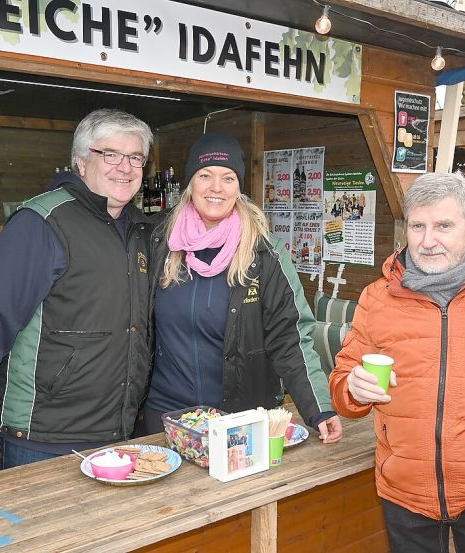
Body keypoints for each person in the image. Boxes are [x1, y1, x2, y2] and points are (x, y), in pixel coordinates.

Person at [0, 109, 154, 496]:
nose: (125, 167)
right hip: (43, 439)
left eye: (136, 158)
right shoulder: (42, 222)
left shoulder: (141, 229)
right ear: (81, 162)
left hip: (117, 434)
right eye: (110, 154)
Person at [329, 172, 465, 553]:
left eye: (443, 225)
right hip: (403, 488)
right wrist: (351, 387)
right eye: (418, 226)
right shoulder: (377, 297)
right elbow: (344, 382)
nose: (427, 241)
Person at [137, 132, 342, 444]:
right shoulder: (160, 243)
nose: (216, 187)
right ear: (191, 183)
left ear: (238, 187)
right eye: (205, 175)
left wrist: (319, 409)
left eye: (228, 177)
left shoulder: (264, 253)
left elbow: (292, 336)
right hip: (166, 416)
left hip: (238, 418)